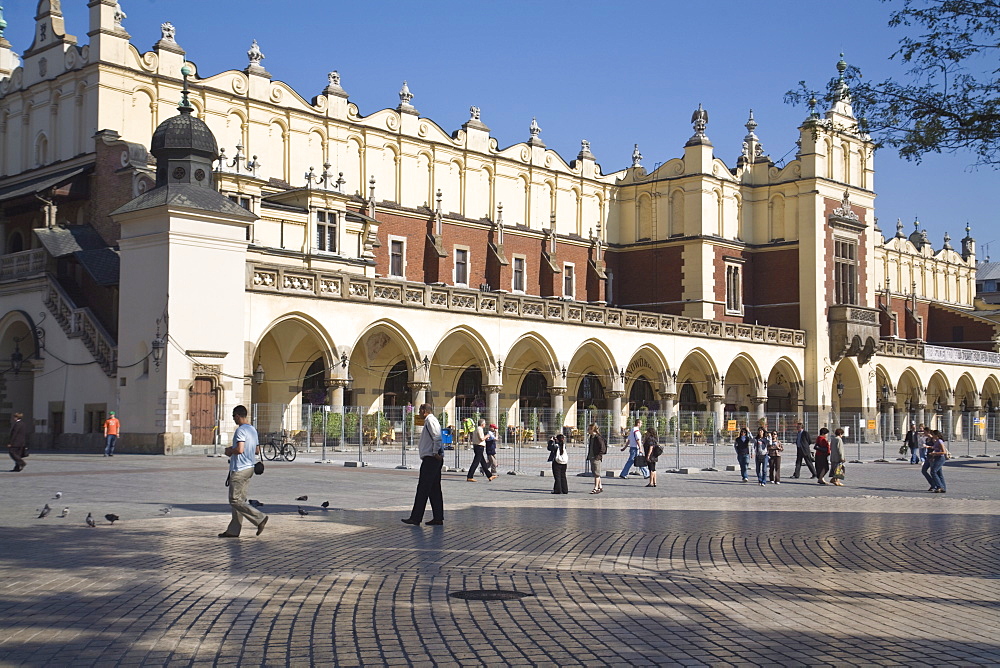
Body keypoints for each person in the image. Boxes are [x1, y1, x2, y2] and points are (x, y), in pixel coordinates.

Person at [219, 405, 268, 538]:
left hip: (239, 469)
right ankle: (233, 530)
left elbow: (240, 449)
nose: (234, 419)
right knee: (240, 500)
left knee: (234, 500)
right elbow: (257, 450)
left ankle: (260, 518)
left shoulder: (240, 430)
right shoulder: (252, 429)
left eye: (234, 417)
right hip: (250, 468)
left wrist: (230, 451)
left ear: (237, 416)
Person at [402, 404, 445, 526]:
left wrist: (436, 452)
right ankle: (438, 517)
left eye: (420, 411)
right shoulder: (430, 420)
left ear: (425, 411)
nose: (419, 413)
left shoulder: (430, 420)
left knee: (423, 488)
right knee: (434, 489)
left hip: (431, 459)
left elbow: (437, 437)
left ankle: (416, 518)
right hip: (432, 458)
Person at [587, 422, 606, 494]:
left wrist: (598, 456)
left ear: (592, 429)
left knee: (597, 474)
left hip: (596, 457)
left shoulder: (598, 437)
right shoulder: (591, 437)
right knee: (595, 472)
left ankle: (596, 488)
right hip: (592, 457)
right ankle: (600, 486)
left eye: (589, 429)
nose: (588, 430)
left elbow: (602, 448)